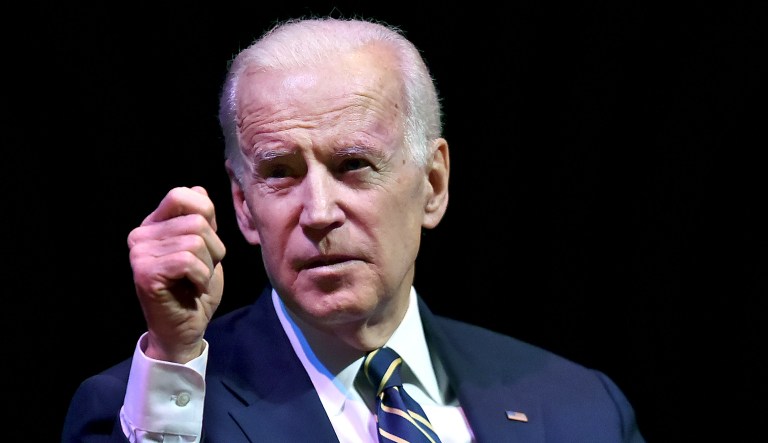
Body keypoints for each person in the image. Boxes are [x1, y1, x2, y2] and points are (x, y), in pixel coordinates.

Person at [62, 16, 645, 443]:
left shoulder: (581, 408)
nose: (318, 212)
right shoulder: (145, 408)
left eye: (353, 166)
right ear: (242, 206)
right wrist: (173, 356)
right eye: (280, 174)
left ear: (433, 184)